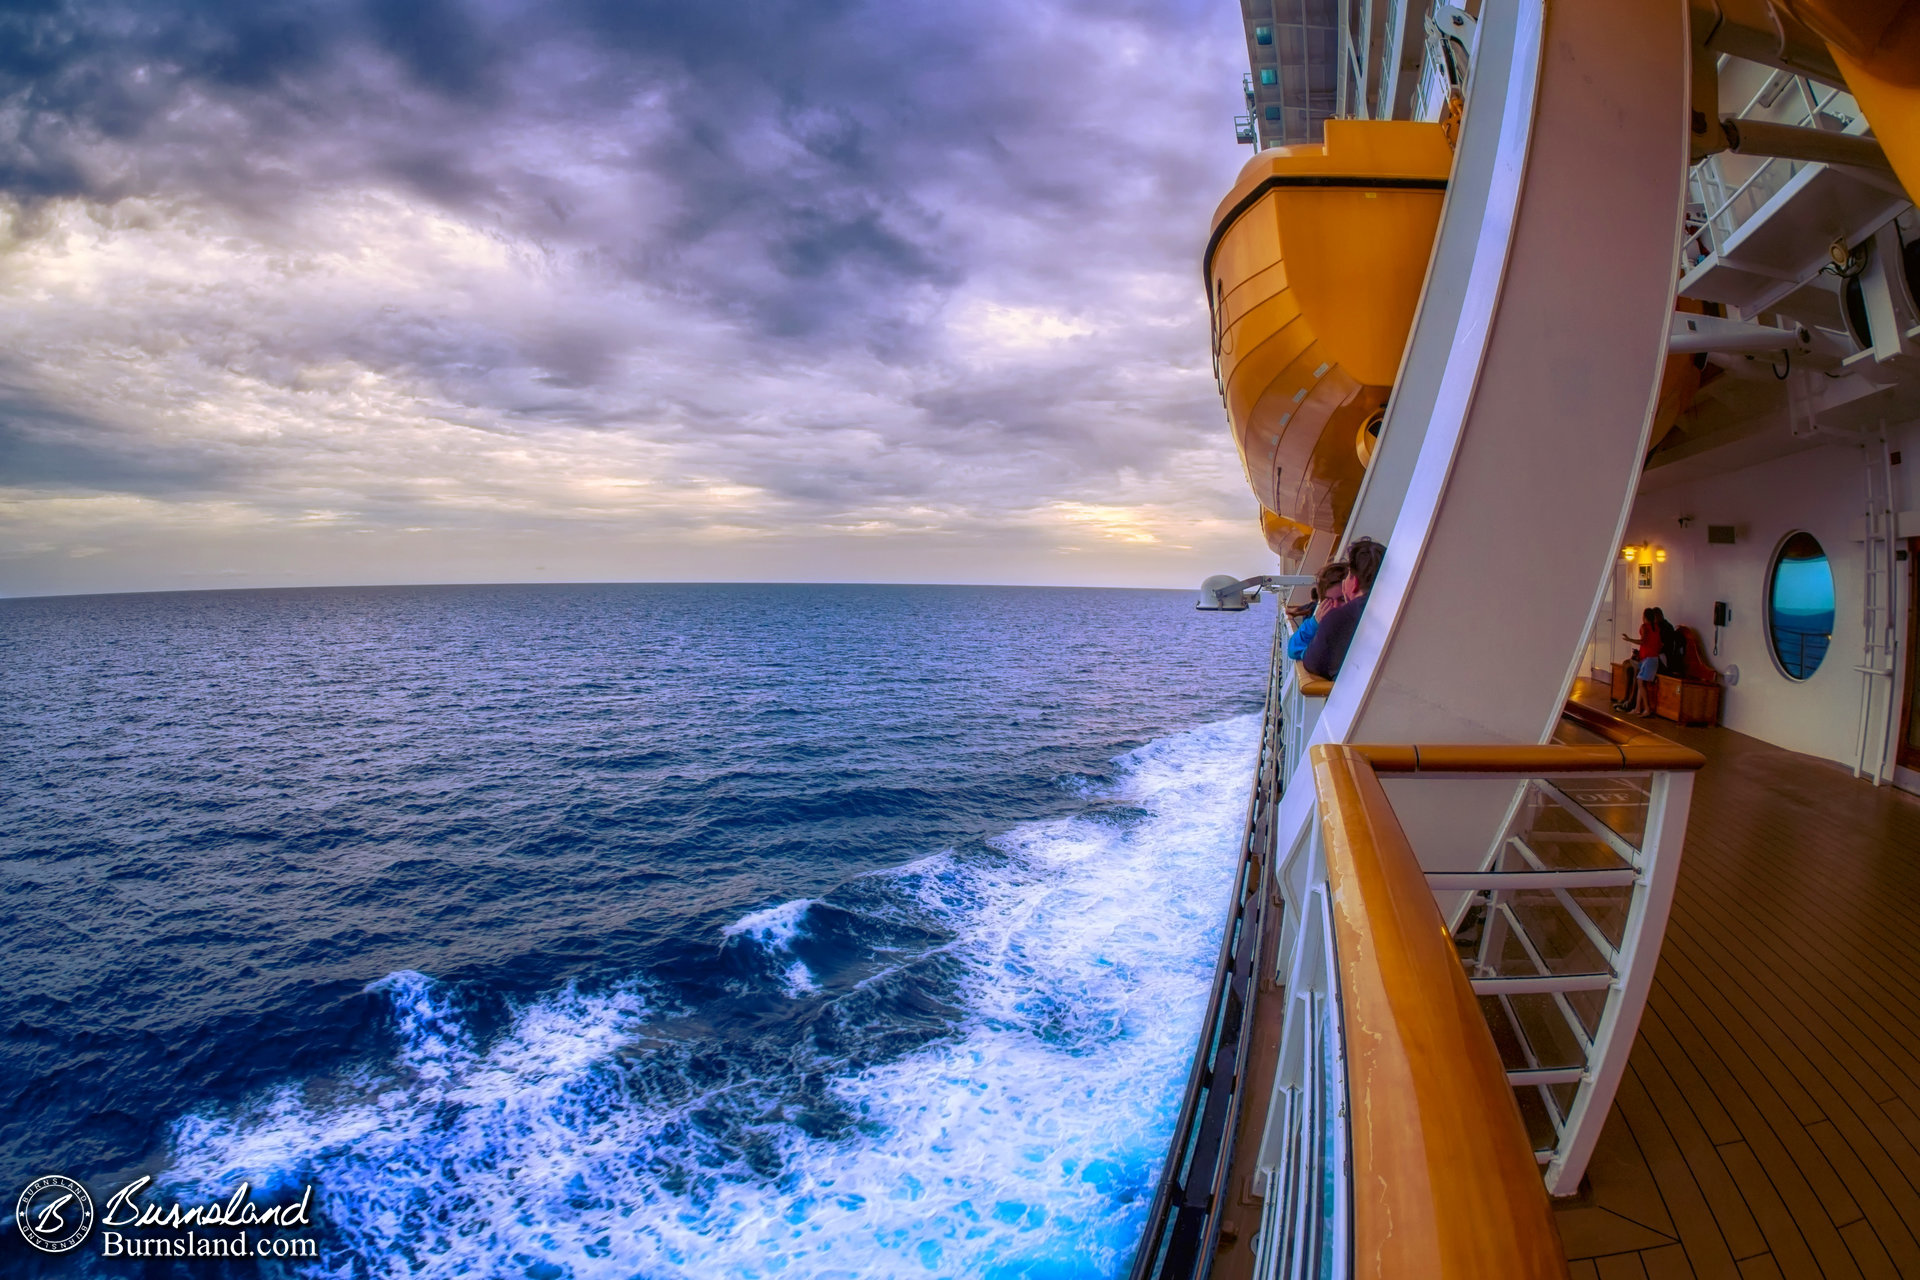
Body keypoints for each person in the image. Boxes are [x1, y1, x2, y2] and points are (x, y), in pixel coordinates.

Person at [1302, 538, 1385, 681]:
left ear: (1354, 582)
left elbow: (1312, 663)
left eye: (1348, 576)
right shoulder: (1390, 610)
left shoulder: (1338, 619)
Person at [1285, 562, 1349, 661]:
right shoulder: (1325, 624)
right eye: (1329, 601)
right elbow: (1293, 649)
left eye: (1342, 599)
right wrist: (1314, 623)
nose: (1335, 606)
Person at [1618, 607, 1664, 716]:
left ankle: (1647, 709)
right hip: (1652, 659)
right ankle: (1638, 708)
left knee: (1639, 681)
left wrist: (1629, 639)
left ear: (1644, 618)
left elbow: (1643, 641)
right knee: (1640, 683)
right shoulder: (1656, 628)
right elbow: (1658, 644)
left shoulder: (1645, 627)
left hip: (1649, 659)